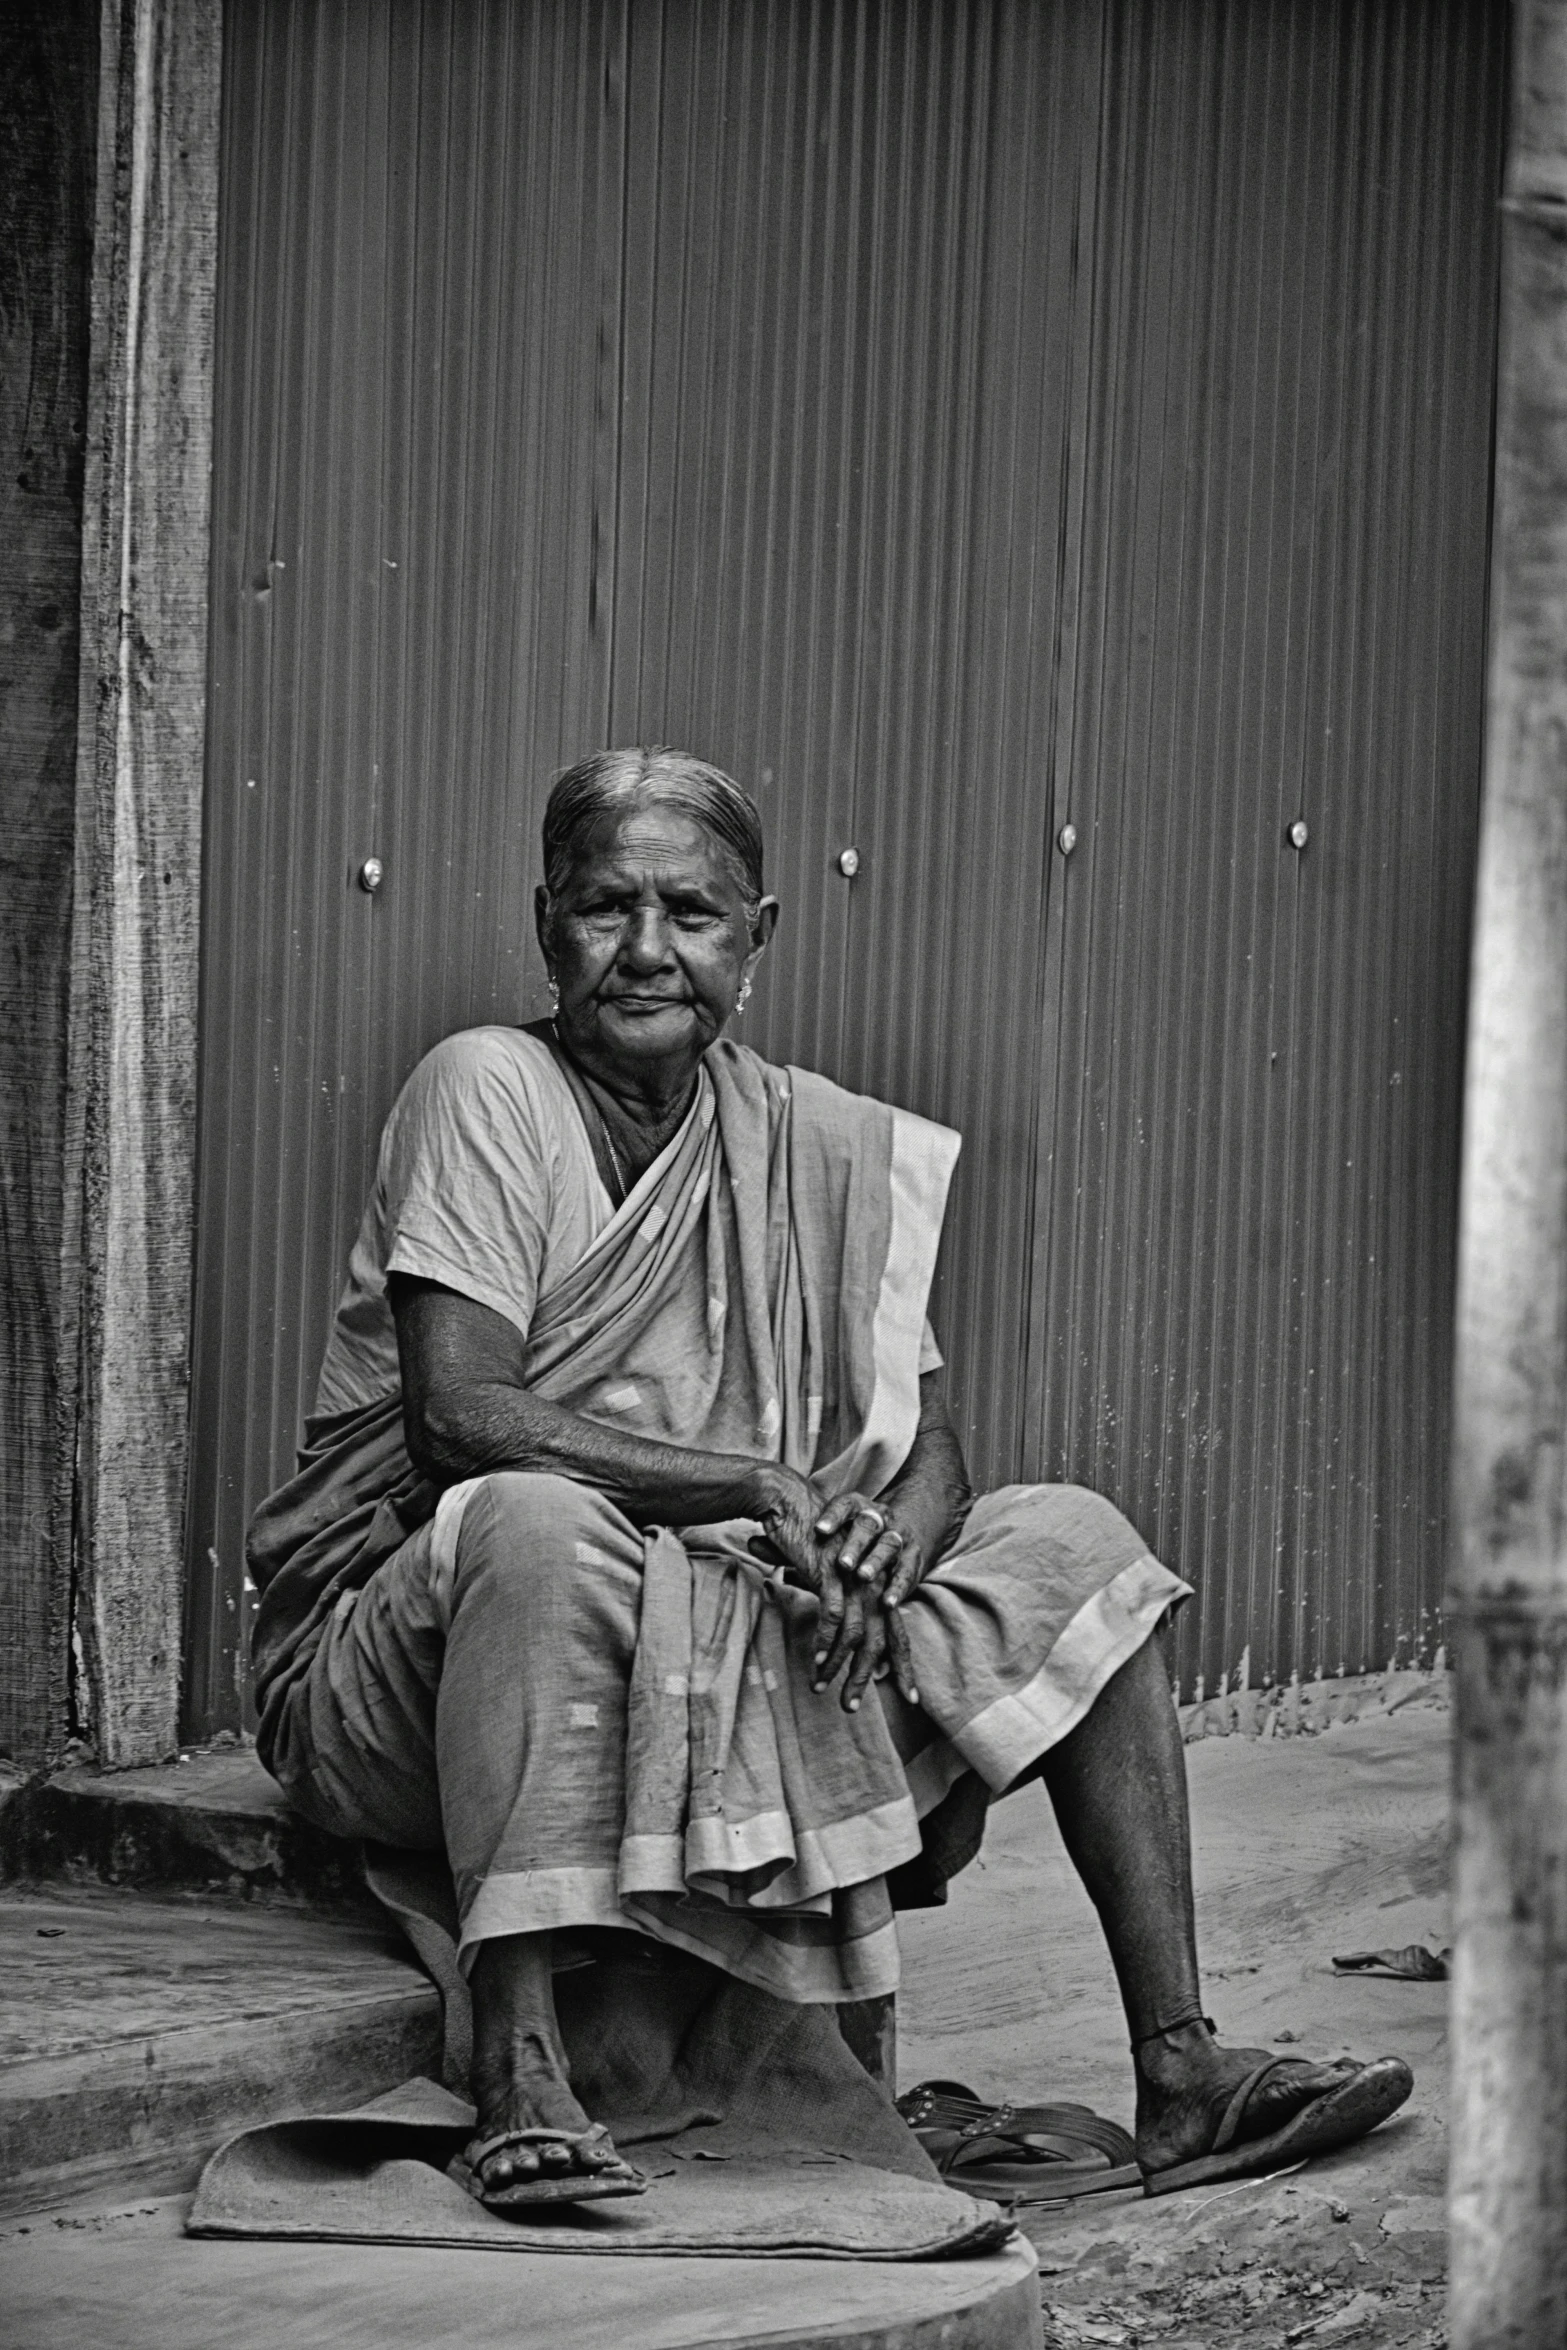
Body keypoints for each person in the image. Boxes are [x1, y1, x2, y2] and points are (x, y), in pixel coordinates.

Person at [248, 746, 1411, 2208]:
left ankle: (1181, 2066)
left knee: (1071, 1535)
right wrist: (751, 1486)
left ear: (759, 934)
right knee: (537, 1523)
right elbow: (461, 1420)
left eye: (693, 911)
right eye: (609, 908)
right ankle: (521, 2060)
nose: (650, 949)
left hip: (720, 1620)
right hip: (411, 1664)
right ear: (549, 924)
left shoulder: (805, 1138)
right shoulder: (488, 1088)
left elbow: (924, 1437)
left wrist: (882, 1537)